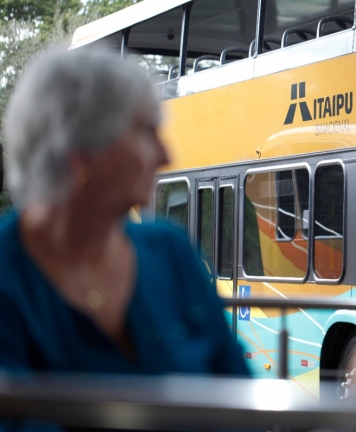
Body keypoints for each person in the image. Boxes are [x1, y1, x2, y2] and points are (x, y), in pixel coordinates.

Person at [0, 47, 248, 376]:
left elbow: (237, 391)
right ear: (79, 150)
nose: (165, 156)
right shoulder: (8, 274)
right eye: (146, 132)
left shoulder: (171, 251)